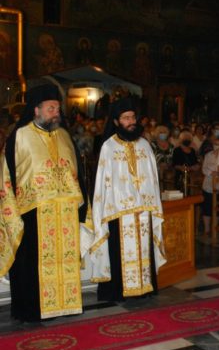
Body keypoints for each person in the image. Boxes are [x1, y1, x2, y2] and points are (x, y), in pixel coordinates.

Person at [0, 84, 89, 322]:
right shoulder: (20, 136)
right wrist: (11, 212)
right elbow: (7, 175)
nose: (55, 113)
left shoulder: (64, 136)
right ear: (36, 110)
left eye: (57, 109)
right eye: (51, 109)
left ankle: (64, 305)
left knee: (64, 260)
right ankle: (32, 311)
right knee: (31, 265)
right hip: (32, 212)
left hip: (65, 211)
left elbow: (78, 174)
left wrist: (82, 208)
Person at [90, 97, 166, 302]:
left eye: (133, 117)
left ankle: (145, 288)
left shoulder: (144, 145)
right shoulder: (109, 147)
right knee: (118, 252)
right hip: (118, 211)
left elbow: (153, 178)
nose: (131, 121)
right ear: (116, 121)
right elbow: (103, 182)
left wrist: (151, 203)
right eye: (126, 118)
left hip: (144, 210)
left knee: (144, 250)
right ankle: (118, 291)